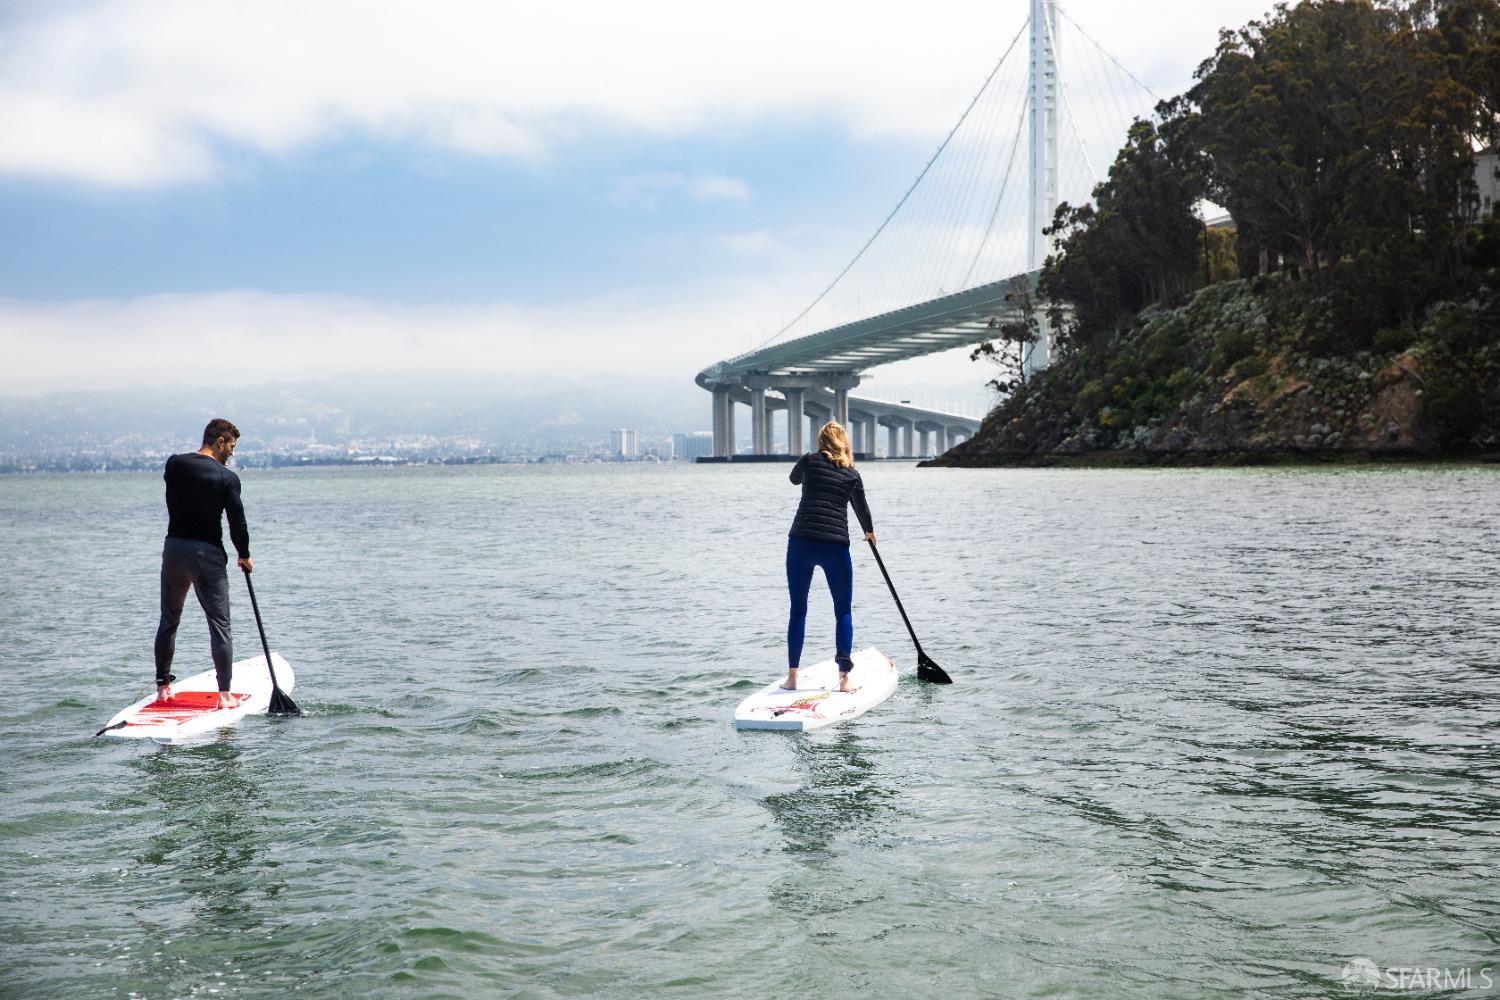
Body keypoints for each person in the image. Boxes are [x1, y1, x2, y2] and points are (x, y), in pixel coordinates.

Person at [153, 418, 253, 708]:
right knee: (220, 624)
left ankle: (163, 688)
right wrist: (244, 555)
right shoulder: (227, 479)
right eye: (231, 446)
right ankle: (224, 696)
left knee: (169, 619)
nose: (232, 453)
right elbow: (238, 524)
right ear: (219, 441)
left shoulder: (174, 465)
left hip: (173, 550)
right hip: (206, 554)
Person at [782, 420, 875, 693]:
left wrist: (810, 461)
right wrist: (869, 532)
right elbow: (862, 509)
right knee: (843, 611)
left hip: (801, 542)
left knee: (798, 609)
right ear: (844, 442)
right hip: (835, 545)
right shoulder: (851, 474)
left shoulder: (809, 461)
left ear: (822, 442)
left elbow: (793, 479)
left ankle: (792, 679)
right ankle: (844, 680)